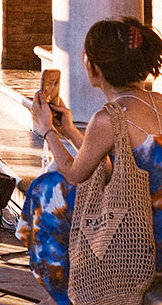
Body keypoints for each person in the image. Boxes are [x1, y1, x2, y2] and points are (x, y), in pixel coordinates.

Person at [17, 17, 162, 304]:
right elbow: (113, 166)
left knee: (46, 191)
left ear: (94, 69)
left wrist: (46, 129)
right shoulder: (157, 100)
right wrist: (69, 130)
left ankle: (73, 293)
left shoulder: (109, 117)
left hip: (142, 238)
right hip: (153, 220)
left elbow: (75, 174)